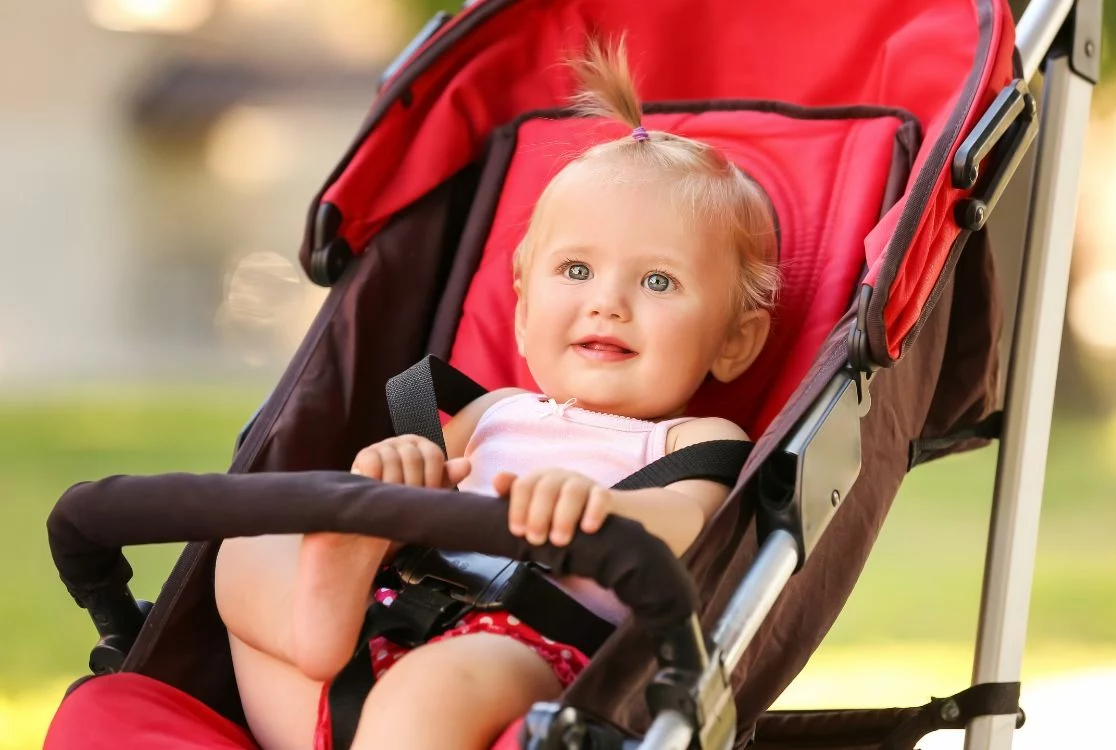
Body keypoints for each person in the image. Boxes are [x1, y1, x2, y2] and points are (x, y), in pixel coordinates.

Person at [214, 37, 780, 750]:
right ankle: (327, 597)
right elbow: (419, 501)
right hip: (378, 628)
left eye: (658, 281)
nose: (607, 302)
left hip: (525, 652)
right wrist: (393, 490)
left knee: (436, 687)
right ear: (519, 306)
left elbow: (691, 526)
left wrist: (603, 509)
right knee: (243, 547)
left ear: (736, 341)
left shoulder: (692, 441)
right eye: (575, 271)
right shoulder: (491, 412)